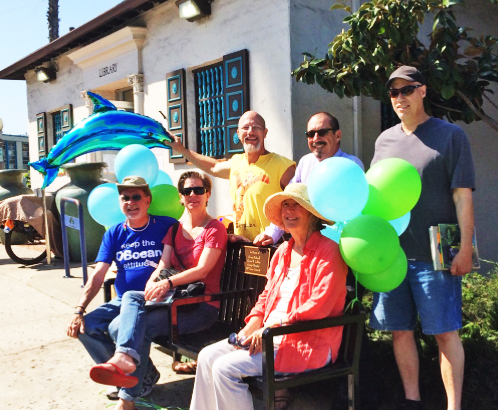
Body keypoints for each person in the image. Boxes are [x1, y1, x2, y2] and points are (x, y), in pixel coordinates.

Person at [369, 66, 476, 410]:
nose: (400, 98)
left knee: (445, 333)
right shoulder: (384, 140)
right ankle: (411, 402)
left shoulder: (451, 136)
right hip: (393, 257)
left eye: (407, 90)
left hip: (436, 258)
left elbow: (462, 196)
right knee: (399, 331)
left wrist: (463, 249)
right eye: (394, 92)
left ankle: (453, 406)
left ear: (423, 91)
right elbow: (374, 196)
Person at [189, 183, 348, 410]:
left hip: (306, 343)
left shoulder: (328, 251)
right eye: (286, 205)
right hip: (270, 336)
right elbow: (266, 297)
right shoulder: (283, 251)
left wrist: (271, 327)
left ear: (311, 214)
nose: (289, 211)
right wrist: (251, 326)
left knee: (225, 369)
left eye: (297, 205)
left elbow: (319, 305)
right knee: (206, 356)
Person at [87, 171, 228, 410]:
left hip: (201, 307)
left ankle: (127, 398)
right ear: (181, 197)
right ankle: (128, 364)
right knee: (130, 301)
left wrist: (168, 284)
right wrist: (153, 284)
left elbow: (203, 270)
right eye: (186, 191)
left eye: (198, 190)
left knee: (135, 326)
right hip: (176, 303)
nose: (192, 195)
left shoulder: (214, 229)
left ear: (208, 194)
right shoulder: (174, 229)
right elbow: (163, 265)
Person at [66, 176, 177, 400]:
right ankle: (135, 374)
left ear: (148, 200)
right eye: (125, 197)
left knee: (118, 327)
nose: (130, 202)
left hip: (155, 300)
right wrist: (79, 309)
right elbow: (98, 274)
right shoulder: (114, 233)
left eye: (136, 197)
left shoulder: (166, 225)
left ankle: (134, 375)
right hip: (123, 300)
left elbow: (193, 238)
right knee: (86, 326)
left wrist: (228, 234)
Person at [165, 110, 296, 241]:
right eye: (245, 128)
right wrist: (182, 150)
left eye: (256, 127)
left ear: (265, 133)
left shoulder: (284, 167)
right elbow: (213, 166)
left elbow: (296, 207)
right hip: (242, 246)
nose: (250, 132)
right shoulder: (236, 162)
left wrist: (273, 235)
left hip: (272, 248)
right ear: (238, 134)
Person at [253, 111, 363, 246]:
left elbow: (354, 213)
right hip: (307, 245)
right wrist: (272, 233)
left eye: (322, 132)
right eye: (310, 134)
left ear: (337, 135)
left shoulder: (351, 165)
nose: (316, 138)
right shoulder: (305, 162)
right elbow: (290, 197)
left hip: (341, 245)